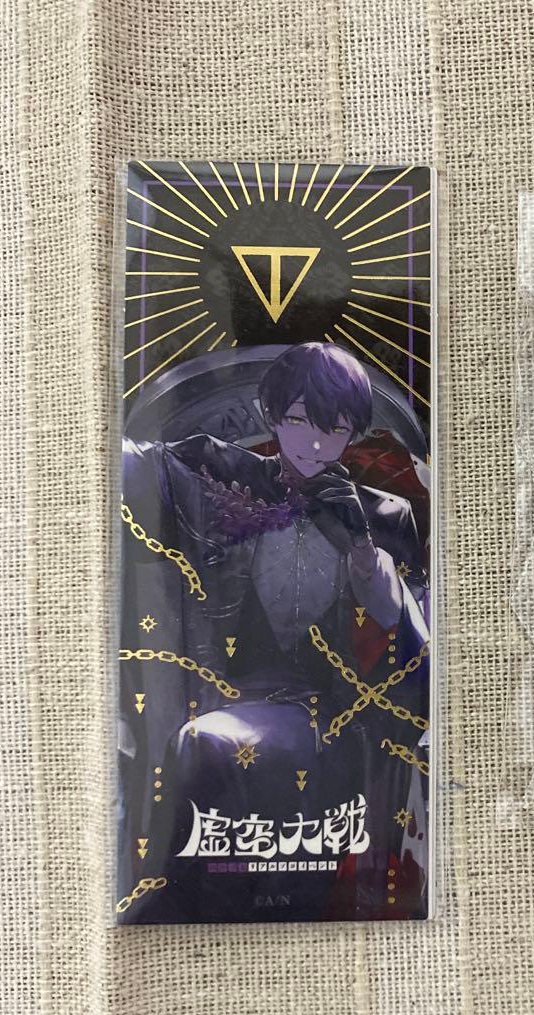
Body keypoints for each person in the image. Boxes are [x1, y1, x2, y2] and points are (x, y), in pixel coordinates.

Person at [118, 342, 429, 922]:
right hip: (213, 691)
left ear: (353, 432)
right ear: (272, 415)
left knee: (206, 744)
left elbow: (408, 637)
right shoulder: (216, 473)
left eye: (335, 429)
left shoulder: (383, 515)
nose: (315, 443)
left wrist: (361, 549)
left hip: (331, 716)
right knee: (199, 746)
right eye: (299, 421)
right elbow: (124, 463)